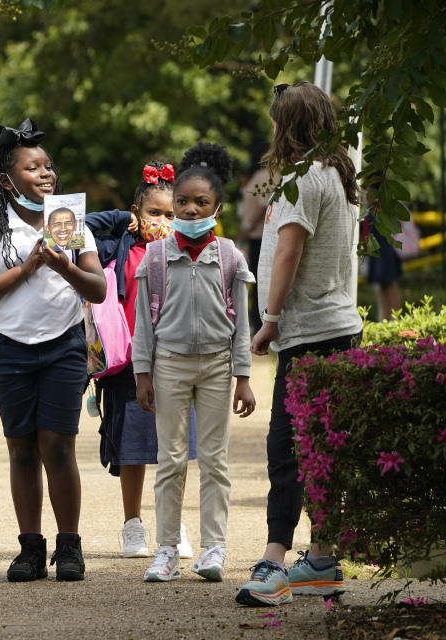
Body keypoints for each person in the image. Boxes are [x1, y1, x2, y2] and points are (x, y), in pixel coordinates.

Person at [0, 118, 106, 582]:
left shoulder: (71, 225)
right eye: (32, 167)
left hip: (62, 346)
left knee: (59, 447)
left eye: (48, 166)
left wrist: (62, 266)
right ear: (7, 180)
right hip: (8, 349)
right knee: (21, 449)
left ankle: (70, 546)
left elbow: (98, 288)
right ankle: (29, 548)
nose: (45, 174)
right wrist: (28, 267)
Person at [237, 81, 363, 607]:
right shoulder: (337, 172)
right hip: (340, 326)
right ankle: (323, 560)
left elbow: (288, 253)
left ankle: (273, 562)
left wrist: (269, 318)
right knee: (321, 446)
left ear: (283, 124)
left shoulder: (301, 178)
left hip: (309, 332)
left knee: (286, 449)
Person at [132, 142, 256, 583]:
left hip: (219, 367)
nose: (188, 210)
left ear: (217, 206)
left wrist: (243, 376)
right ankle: (166, 549)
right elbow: (143, 326)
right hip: (169, 366)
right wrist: (142, 374)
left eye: (200, 202)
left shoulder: (229, 256)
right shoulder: (156, 256)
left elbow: (242, 322)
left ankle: (213, 549)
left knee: (215, 461)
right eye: (181, 202)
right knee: (170, 461)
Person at [86, 160, 197, 560]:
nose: (163, 221)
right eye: (154, 213)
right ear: (137, 214)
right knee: (131, 451)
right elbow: (79, 226)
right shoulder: (120, 249)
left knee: (177, 449)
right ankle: (132, 524)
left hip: (179, 364)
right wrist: (120, 219)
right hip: (128, 368)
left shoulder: (188, 253)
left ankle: (174, 523)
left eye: (172, 214)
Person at [236, 143, 272, 333]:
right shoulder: (260, 175)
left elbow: (262, 205)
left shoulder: (265, 174)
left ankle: (260, 325)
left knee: (259, 283)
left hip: (259, 235)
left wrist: (247, 226)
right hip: (254, 236)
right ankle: (256, 325)